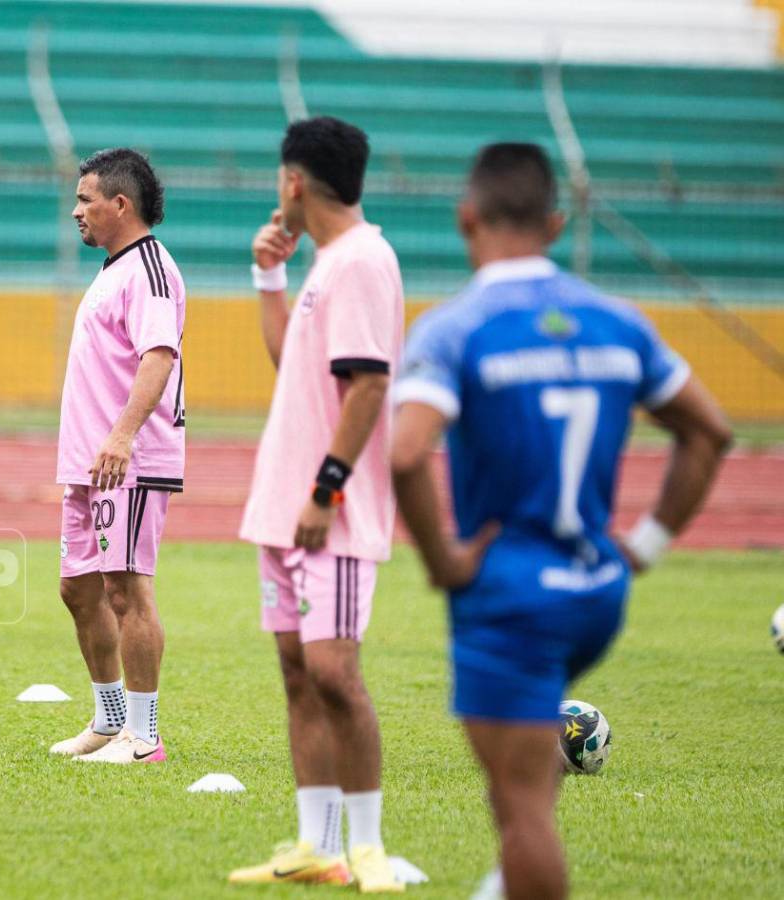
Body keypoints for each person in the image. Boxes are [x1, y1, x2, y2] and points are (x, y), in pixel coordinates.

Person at [390, 143, 732, 900]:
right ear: (555, 220)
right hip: (597, 592)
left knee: (520, 814)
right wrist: (645, 544)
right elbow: (708, 431)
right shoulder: (619, 322)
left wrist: (444, 562)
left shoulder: (455, 328)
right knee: (529, 789)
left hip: (510, 593)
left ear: (465, 218)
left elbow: (407, 452)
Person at [229, 117, 406, 893]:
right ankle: (317, 845)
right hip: (286, 510)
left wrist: (326, 489)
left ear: (294, 182)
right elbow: (291, 366)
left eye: (279, 180)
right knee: (299, 673)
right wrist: (270, 276)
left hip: (327, 511)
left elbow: (369, 385)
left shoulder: (362, 261)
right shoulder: (328, 263)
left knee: (337, 673)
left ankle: (367, 848)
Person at [50, 148, 185, 764]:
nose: (76, 211)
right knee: (79, 590)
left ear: (120, 204)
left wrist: (123, 435)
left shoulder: (151, 270)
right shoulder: (113, 269)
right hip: (89, 463)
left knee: (128, 592)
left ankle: (144, 736)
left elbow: (159, 357)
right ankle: (108, 722)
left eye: (85, 199)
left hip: (127, 459)